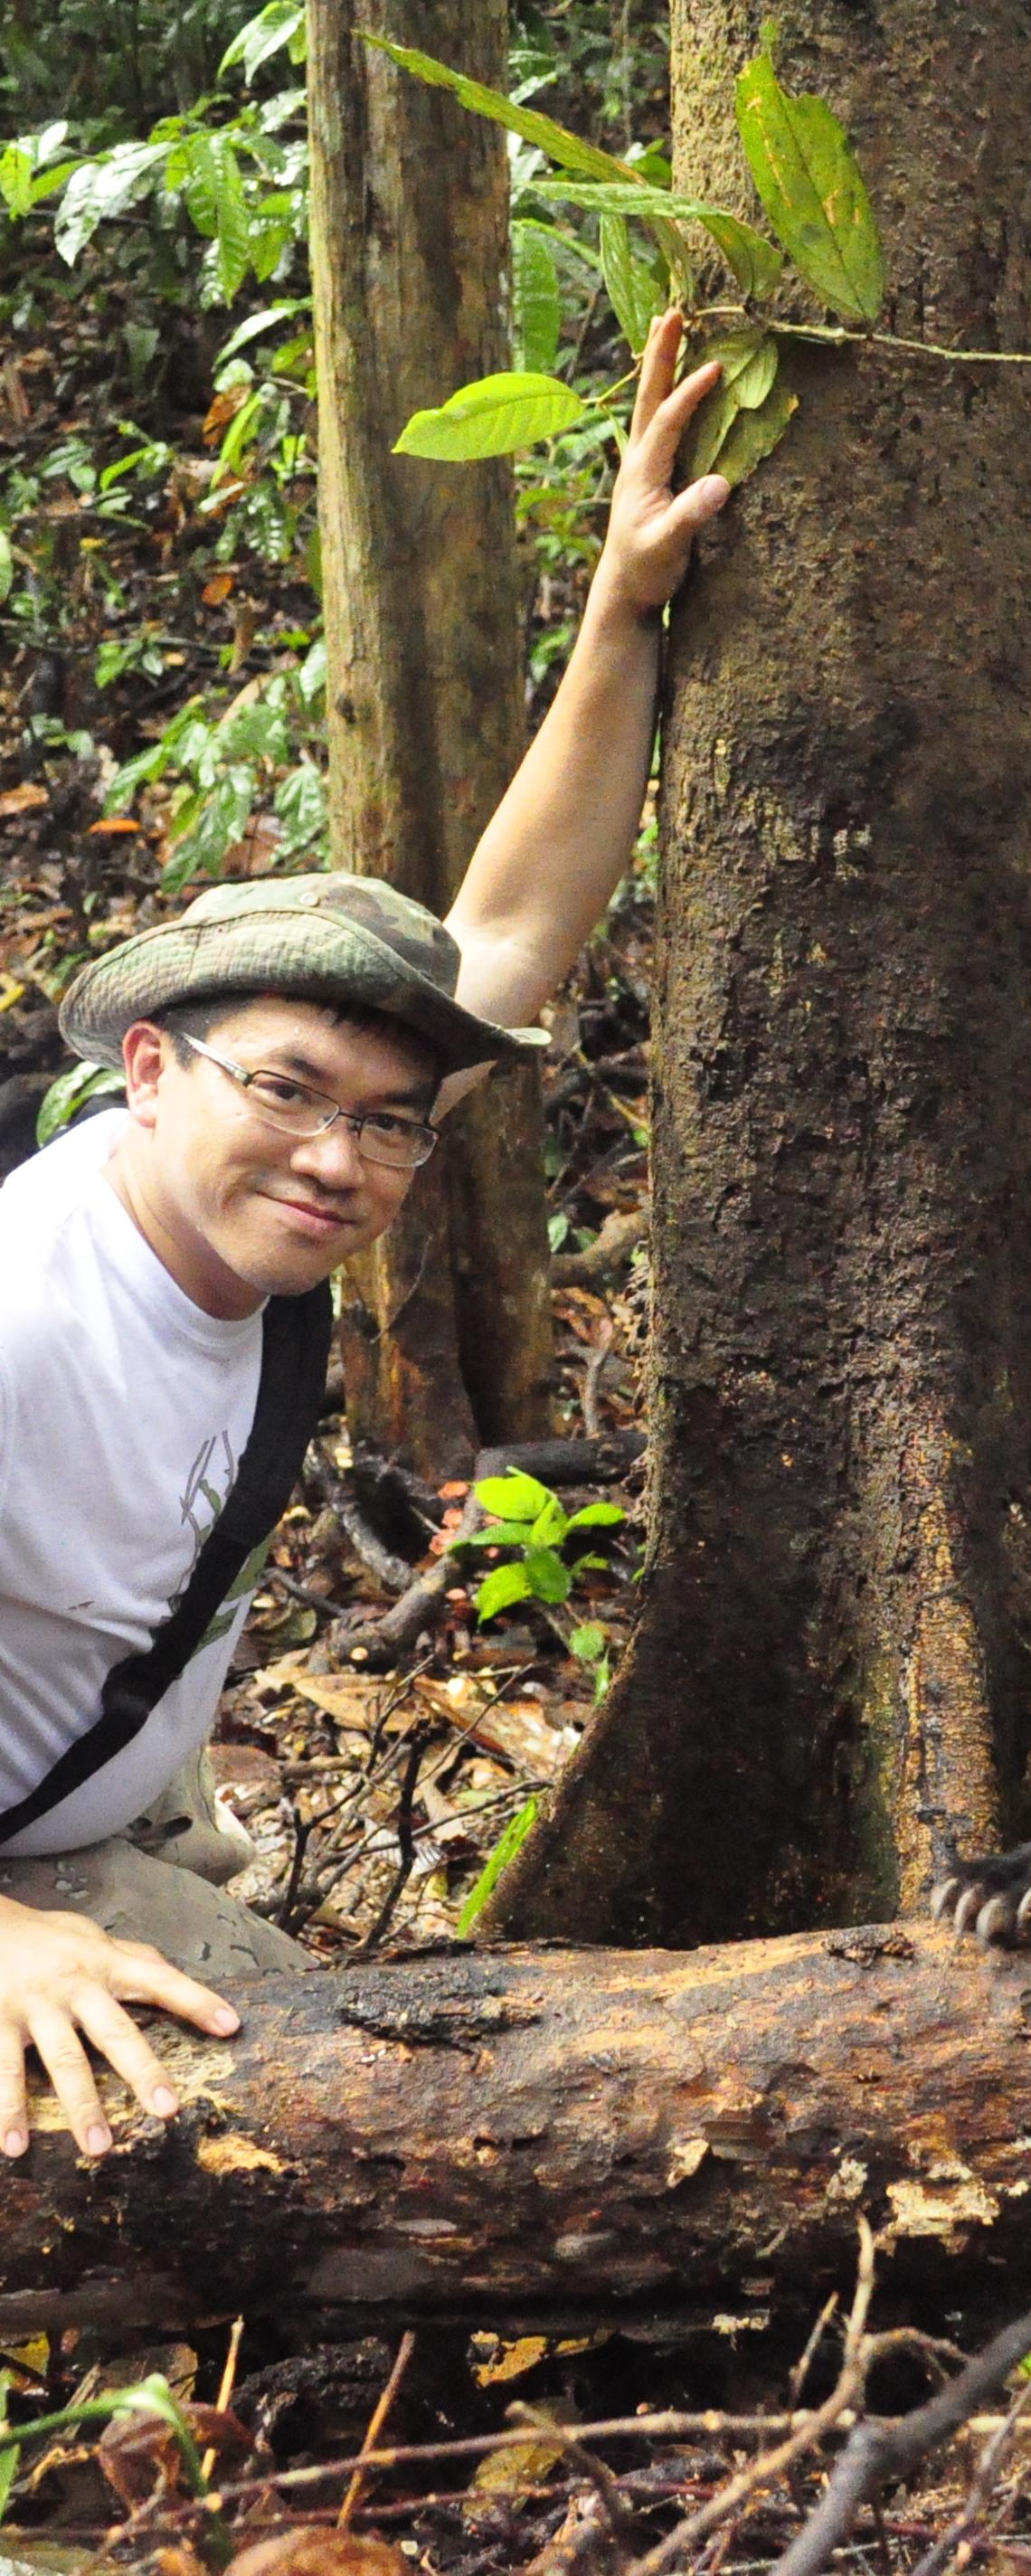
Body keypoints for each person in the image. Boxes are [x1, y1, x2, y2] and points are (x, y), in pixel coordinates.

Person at [0, 312, 729, 2163]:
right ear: (148, 1068)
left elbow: (509, 930)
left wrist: (621, 608)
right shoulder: (28, 1308)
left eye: (391, 1120)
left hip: (110, 1794)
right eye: (291, 1091)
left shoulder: (258, 1185)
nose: (343, 1157)